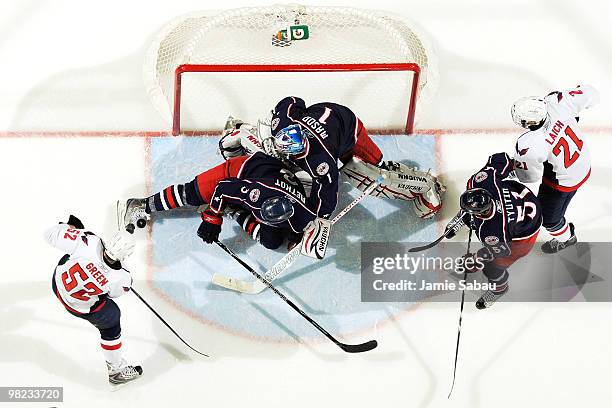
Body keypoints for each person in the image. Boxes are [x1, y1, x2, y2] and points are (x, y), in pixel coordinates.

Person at [218, 97, 444, 219]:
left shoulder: (322, 162)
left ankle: (424, 186)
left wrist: (318, 218)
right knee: (231, 142)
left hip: (349, 129)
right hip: (323, 113)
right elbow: (292, 101)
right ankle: (240, 131)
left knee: (370, 176)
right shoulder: (284, 124)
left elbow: (327, 198)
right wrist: (272, 118)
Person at [118, 152, 316, 250]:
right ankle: (141, 204)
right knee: (192, 194)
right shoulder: (256, 193)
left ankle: (235, 210)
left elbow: (305, 227)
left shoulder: (301, 213)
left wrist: (297, 238)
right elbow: (223, 187)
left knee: (272, 241)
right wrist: (212, 220)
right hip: (243, 171)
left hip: (271, 179)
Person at [44, 215, 142, 386]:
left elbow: (50, 234)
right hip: (78, 306)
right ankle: (115, 370)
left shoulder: (88, 241)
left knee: (72, 254)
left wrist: (71, 230)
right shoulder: (123, 278)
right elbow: (113, 295)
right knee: (112, 320)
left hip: (58, 284)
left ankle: (115, 368)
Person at [511, 84, 600, 253]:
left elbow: (529, 177)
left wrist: (517, 165)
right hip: (583, 162)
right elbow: (591, 94)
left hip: (563, 181)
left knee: (548, 220)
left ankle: (567, 238)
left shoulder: (529, 144)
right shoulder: (557, 103)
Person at [454, 153, 542, 309]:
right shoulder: (487, 181)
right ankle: (466, 216)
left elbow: (501, 252)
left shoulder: (491, 232)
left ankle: (499, 289)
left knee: (494, 267)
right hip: (525, 200)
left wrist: (475, 258)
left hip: (525, 234)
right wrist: (511, 169)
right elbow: (501, 158)